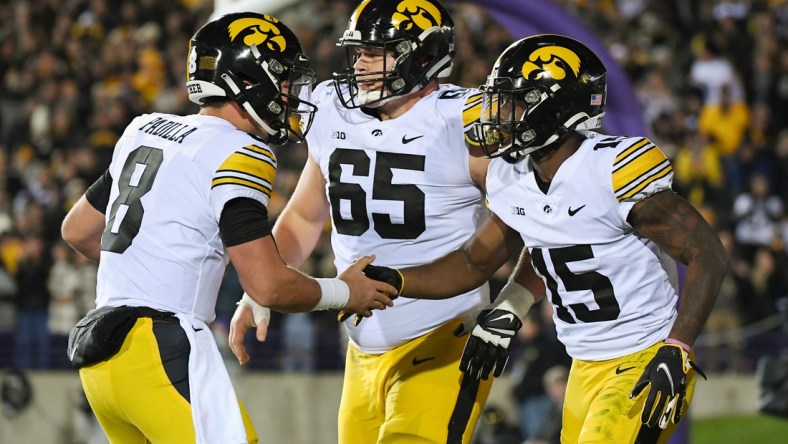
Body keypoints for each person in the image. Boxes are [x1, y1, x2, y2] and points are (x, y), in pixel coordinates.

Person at [363, 34, 729, 443]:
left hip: (644, 357)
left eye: (513, 102)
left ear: (554, 110)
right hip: (583, 365)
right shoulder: (511, 176)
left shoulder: (611, 169)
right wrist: (399, 281)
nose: (498, 113)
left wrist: (677, 345)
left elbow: (708, 254)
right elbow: (478, 262)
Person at [60, 12, 396, 444]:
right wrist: (346, 291)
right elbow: (268, 286)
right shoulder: (240, 150)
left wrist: (152, 258)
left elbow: (78, 230)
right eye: (285, 79)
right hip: (162, 349)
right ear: (249, 80)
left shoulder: (145, 129)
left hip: (103, 364)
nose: (292, 93)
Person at [229, 1, 543, 442]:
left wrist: (514, 304)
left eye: (376, 53)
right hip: (360, 348)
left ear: (423, 56)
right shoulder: (334, 111)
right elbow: (304, 215)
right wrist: (258, 290)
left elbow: (541, 219)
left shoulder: (465, 121)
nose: (360, 64)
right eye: (357, 52)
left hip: (445, 336)